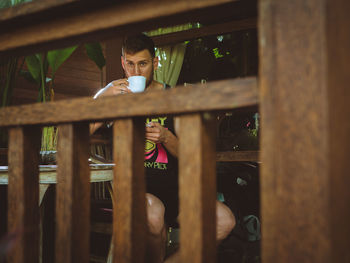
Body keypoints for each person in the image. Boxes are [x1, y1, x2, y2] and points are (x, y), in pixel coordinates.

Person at [91, 33, 235, 263]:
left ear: (155, 63)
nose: (136, 73)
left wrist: (167, 138)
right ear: (122, 63)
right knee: (154, 214)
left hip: (176, 190)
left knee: (224, 221)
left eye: (143, 64)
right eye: (130, 64)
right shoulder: (114, 96)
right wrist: (102, 96)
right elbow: (80, 131)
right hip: (135, 191)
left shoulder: (173, 98)